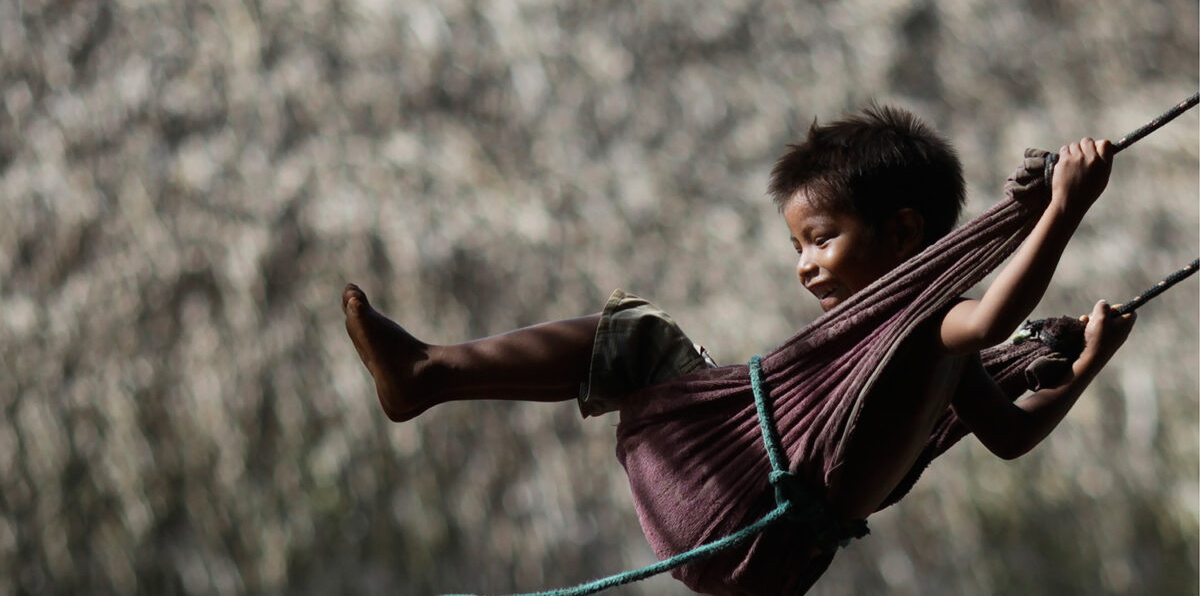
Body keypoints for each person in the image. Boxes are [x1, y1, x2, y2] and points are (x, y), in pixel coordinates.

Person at [340, 103, 1135, 582]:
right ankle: (424, 374)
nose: (803, 264)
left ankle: (429, 372)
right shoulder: (912, 349)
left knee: (642, 340)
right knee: (667, 361)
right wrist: (1088, 359)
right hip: (761, 544)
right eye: (796, 245)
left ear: (901, 234)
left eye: (819, 239)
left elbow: (995, 326)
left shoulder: (930, 326)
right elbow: (1014, 433)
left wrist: (1063, 211)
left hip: (743, 511)